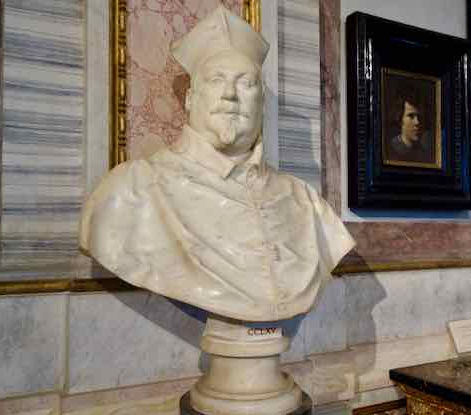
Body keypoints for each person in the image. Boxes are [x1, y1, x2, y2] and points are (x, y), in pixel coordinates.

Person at [79, 6, 354, 322]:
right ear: (189, 98)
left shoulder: (305, 201)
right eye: (215, 80)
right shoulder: (132, 191)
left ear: (261, 103)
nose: (229, 95)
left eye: (246, 83)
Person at [385, 93, 433, 165]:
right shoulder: (391, 149)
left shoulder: (424, 152)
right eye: (411, 116)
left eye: (419, 116)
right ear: (400, 119)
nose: (417, 122)